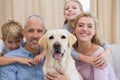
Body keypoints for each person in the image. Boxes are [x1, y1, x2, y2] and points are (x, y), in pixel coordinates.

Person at [46, 12, 117, 80]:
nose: (84, 29)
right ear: (74, 30)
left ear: (94, 31)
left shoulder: (99, 55)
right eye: (80, 25)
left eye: (89, 26)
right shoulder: (70, 52)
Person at [63, 0, 111, 68]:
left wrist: (106, 54)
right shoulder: (63, 31)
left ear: (81, 12)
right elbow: (68, 50)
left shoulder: (89, 27)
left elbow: (104, 43)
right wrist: (89, 60)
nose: (70, 10)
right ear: (64, 14)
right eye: (67, 8)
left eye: (74, 8)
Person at [0, 15, 47, 80]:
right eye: (31, 31)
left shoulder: (52, 55)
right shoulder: (9, 59)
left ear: (45, 33)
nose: (35, 36)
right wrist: (18, 59)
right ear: (24, 33)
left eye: (39, 31)